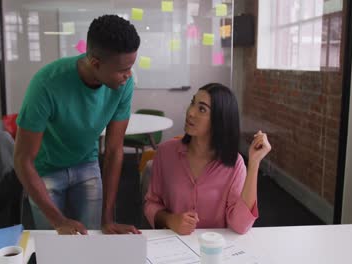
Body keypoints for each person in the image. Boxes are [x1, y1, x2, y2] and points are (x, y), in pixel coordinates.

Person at [14, 14, 141, 235]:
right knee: (54, 245)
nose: (128, 76)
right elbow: (22, 159)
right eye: (123, 70)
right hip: (46, 170)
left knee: (89, 241)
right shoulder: (46, 84)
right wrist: (57, 220)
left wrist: (108, 219)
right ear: (95, 63)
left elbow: (114, 150)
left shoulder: (123, 84)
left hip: (86, 164)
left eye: (131, 67)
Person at [144, 83, 271, 235]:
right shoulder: (165, 153)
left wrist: (254, 163)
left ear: (220, 119)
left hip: (214, 251)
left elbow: (240, 225)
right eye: (193, 103)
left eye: (202, 109)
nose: (190, 112)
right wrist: (170, 220)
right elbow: (151, 204)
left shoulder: (234, 164)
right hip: (175, 246)